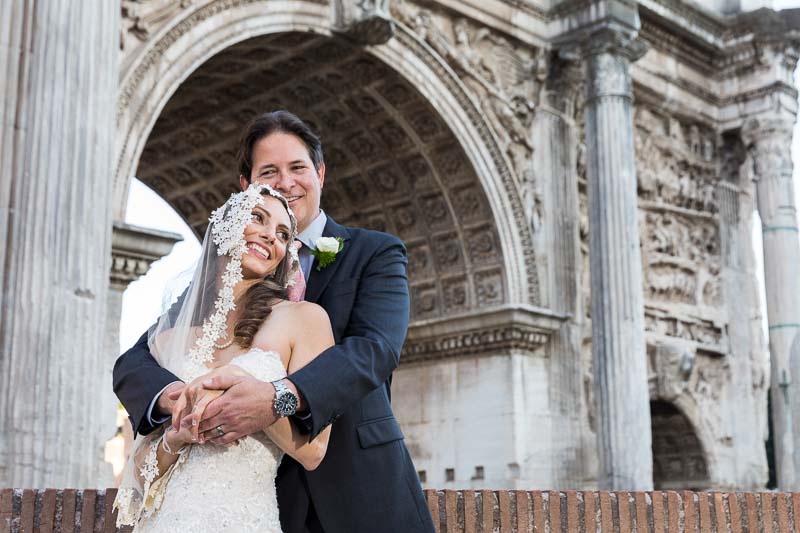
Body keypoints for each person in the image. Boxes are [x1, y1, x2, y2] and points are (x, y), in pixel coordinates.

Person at [113, 110, 435, 532]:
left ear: (320, 173)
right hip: (252, 498)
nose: (286, 182)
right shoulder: (215, 289)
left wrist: (275, 398)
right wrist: (180, 399)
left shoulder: (375, 252)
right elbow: (135, 362)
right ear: (247, 187)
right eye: (269, 171)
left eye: (298, 168)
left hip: (356, 485)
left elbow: (374, 349)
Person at [115, 184, 335, 531]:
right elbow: (139, 475)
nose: (270, 236)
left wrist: (256, 403)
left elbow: (314, 451)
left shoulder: (304, 320)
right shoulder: (168, 338)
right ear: (224, 226)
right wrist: (177, 436)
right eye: (258, 218)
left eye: (282, 233)